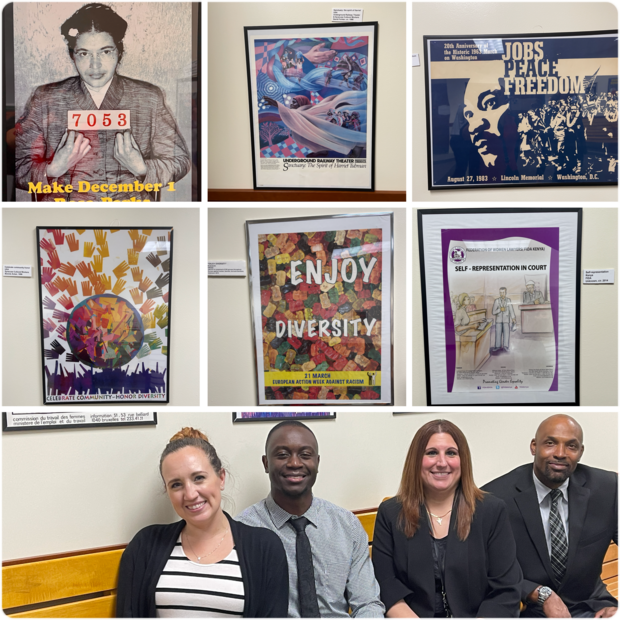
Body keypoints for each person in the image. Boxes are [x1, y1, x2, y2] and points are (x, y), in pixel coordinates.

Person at [15, 3, 191, 202]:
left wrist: (141, 167)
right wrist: (53, 169)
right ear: (73, 56)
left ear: (119, 52)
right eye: (84, 53)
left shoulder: (148, 98)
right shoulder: (45, 98)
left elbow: (180, 161)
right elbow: (18, 166)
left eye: (105, 52)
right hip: (65, 217)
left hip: (131, 217)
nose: (95, 64)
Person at [116, 428, 288, 618]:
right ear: (167, 491)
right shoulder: (145, 545)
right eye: (176, 484)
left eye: (199, 478)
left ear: (221, 477)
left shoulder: (265, 548)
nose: (190, 494)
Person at [372, 419, 521, 618]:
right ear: (416, 460)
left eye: (451, 453)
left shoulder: (492, 511)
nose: (442, 463)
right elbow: (386, 584)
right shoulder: (391, 513)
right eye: (431, 452)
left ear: (463, 460)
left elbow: (506, 588)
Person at [236, 420, 385, 618]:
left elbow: (368, 604)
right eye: (282, 455)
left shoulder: (346, 526)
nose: (295, 463)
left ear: (317, 462)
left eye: (305, 455)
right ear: (266, 463)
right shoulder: (244, 531)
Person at [482, 415, 620, 619]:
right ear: (533, 446)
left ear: (581, 452)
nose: (560, 453)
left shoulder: (607, 487)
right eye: (550, 443)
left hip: (592, 607)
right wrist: (541, 594)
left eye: (571, 446)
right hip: (527, 609)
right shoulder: (494, 499)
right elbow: (487, 569)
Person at [463, 73, 518, 174]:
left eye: (500, 95)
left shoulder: (512, 119)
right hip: (487, 172)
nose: (496, 99)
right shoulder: (481, 117)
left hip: (509, 169)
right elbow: (466, 135)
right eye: (494, 95)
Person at [492, 287, 516, 352]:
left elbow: (511, 310)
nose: (502, 294)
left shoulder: (508, 300)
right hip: (498, 321)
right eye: (501, 293)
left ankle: (506, 346)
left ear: (506, 293)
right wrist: (500, 310)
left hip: (506, 320)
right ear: (499, 293)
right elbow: (493, 312)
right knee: (498, 334)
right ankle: (497, 346)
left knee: (506, 333)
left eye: (503, 292)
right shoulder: (496, 301)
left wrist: (513, 318)